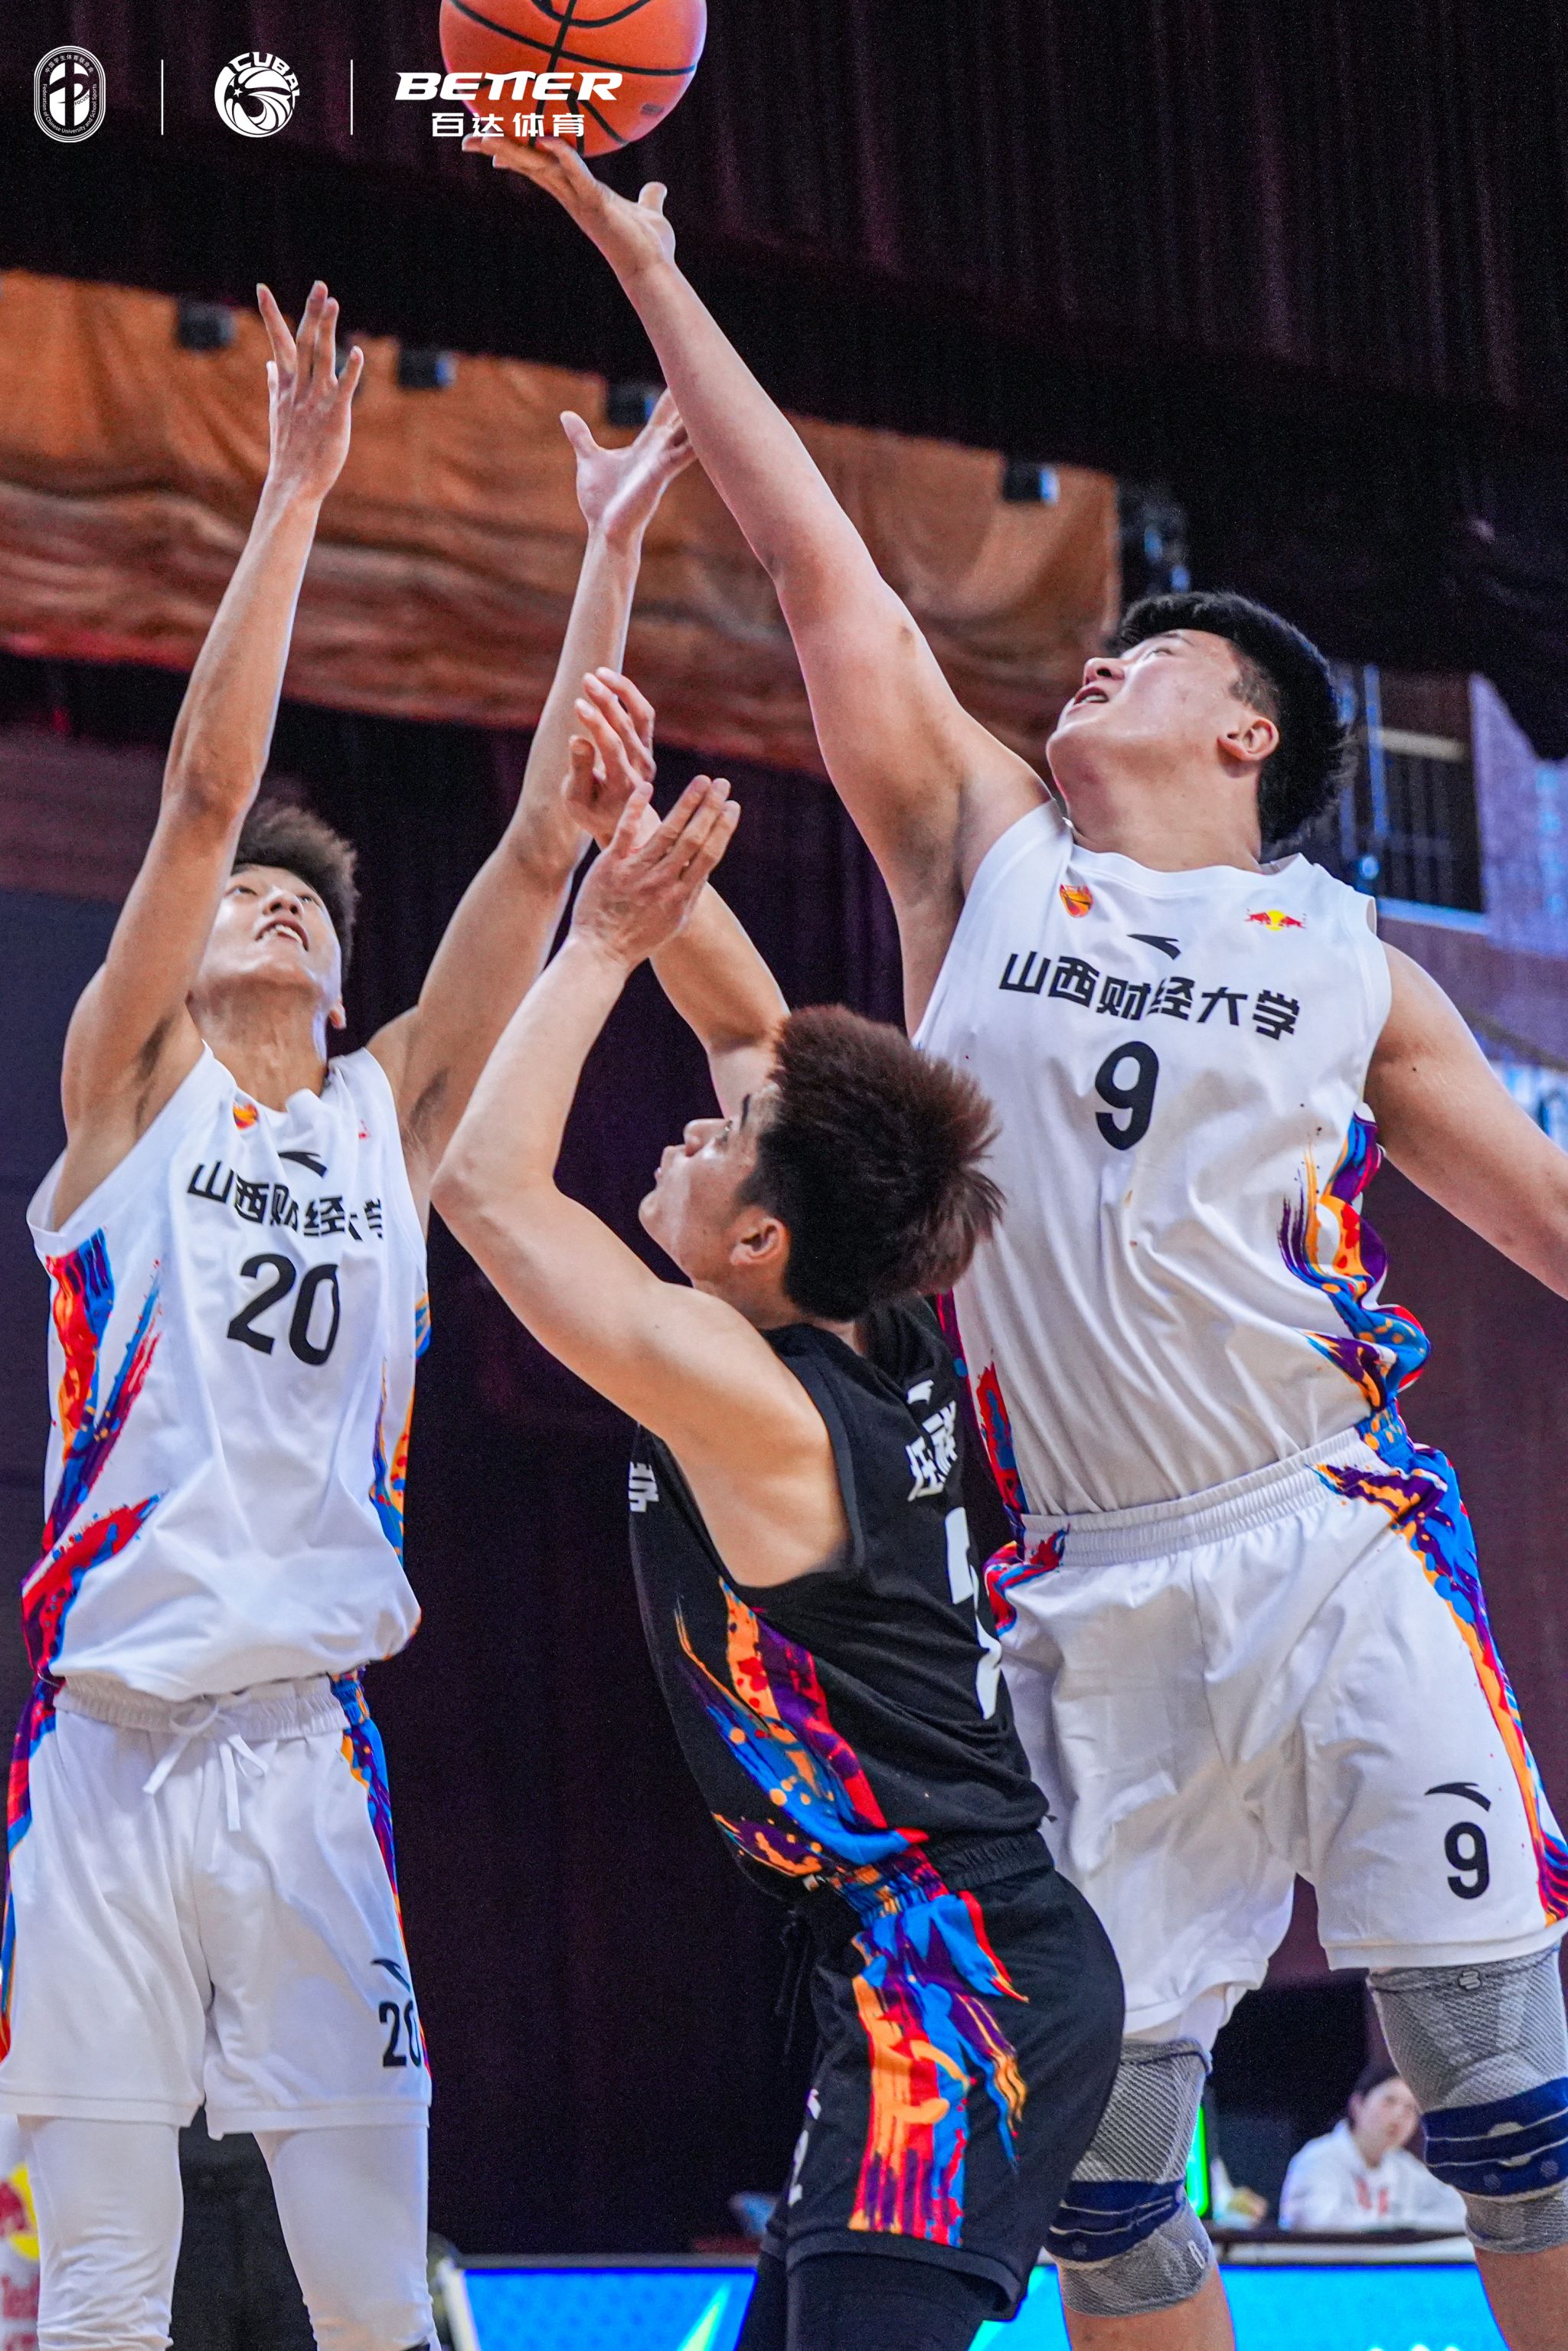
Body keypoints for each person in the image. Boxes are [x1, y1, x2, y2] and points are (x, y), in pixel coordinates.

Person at [469, 136, 1568, 2351]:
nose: (1089, 667)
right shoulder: (986, 851)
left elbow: (1546, 1218)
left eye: (1139, 656)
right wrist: (653, 270)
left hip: (1327, 1532)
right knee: (1109, 2177)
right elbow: (818, 568)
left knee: (1507, 2092)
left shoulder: (1350, 959)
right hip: (1072, 1579)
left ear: (1244, 729)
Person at [0, 276, 694, 2351]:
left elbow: (543, 838)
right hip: (100, 1753)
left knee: (376, 2290)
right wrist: (296, 489)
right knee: (95, 2288)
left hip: (302, 1755)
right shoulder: (130, 1102)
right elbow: (206, 797)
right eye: (253, 896)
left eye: (314, 900)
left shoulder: (385, 1117)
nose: (279, 899)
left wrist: (608, 548)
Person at [432, 689, 1125, 2351]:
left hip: (953, 1975)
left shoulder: (758, 1401)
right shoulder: (866, 1316)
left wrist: (604, 939)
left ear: (758, 1242)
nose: (699, 1120)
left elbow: (482, 1185)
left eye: (724, 1139)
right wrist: (635, 840)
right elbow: (756, 1027)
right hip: (925, 1950)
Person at [1279, 2063, 1466, 2235]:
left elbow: (1458, 2212)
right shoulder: (1318, 2159)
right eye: (1389, 2102)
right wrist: (1398, 2226)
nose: (1399, 2115)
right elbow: (1316, 2225)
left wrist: (1408, 2226)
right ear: (1357, 2105)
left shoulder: (1405, 2168)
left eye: (1410, 2109)